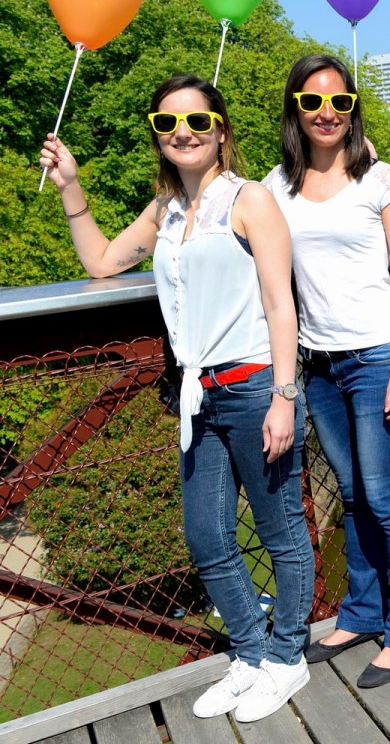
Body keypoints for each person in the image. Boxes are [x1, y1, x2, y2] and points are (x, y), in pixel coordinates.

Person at [40, 75, 312, 722]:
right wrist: (71, 187)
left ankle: (287, 657)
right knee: (207, 536)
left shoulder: (250, 201)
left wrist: (283, 395)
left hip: (253, 386)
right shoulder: (163, 211)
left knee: (280, 531)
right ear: (158, 137)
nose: (182, 132)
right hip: (196, 395)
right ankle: (250, 653)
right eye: (167, 123)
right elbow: (103, 262)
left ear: (221, 129)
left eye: (195, 121)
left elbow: (281, 304)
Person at [265, 54, 390, 689]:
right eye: (312, 102)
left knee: (386, 495)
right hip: (319, 364)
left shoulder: (381, 180)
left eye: (339, 101)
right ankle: (362, 611)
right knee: (354, 492)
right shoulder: (277, 187)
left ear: (354, 108)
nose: (327, 113)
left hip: (378, 357)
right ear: (296, 110)